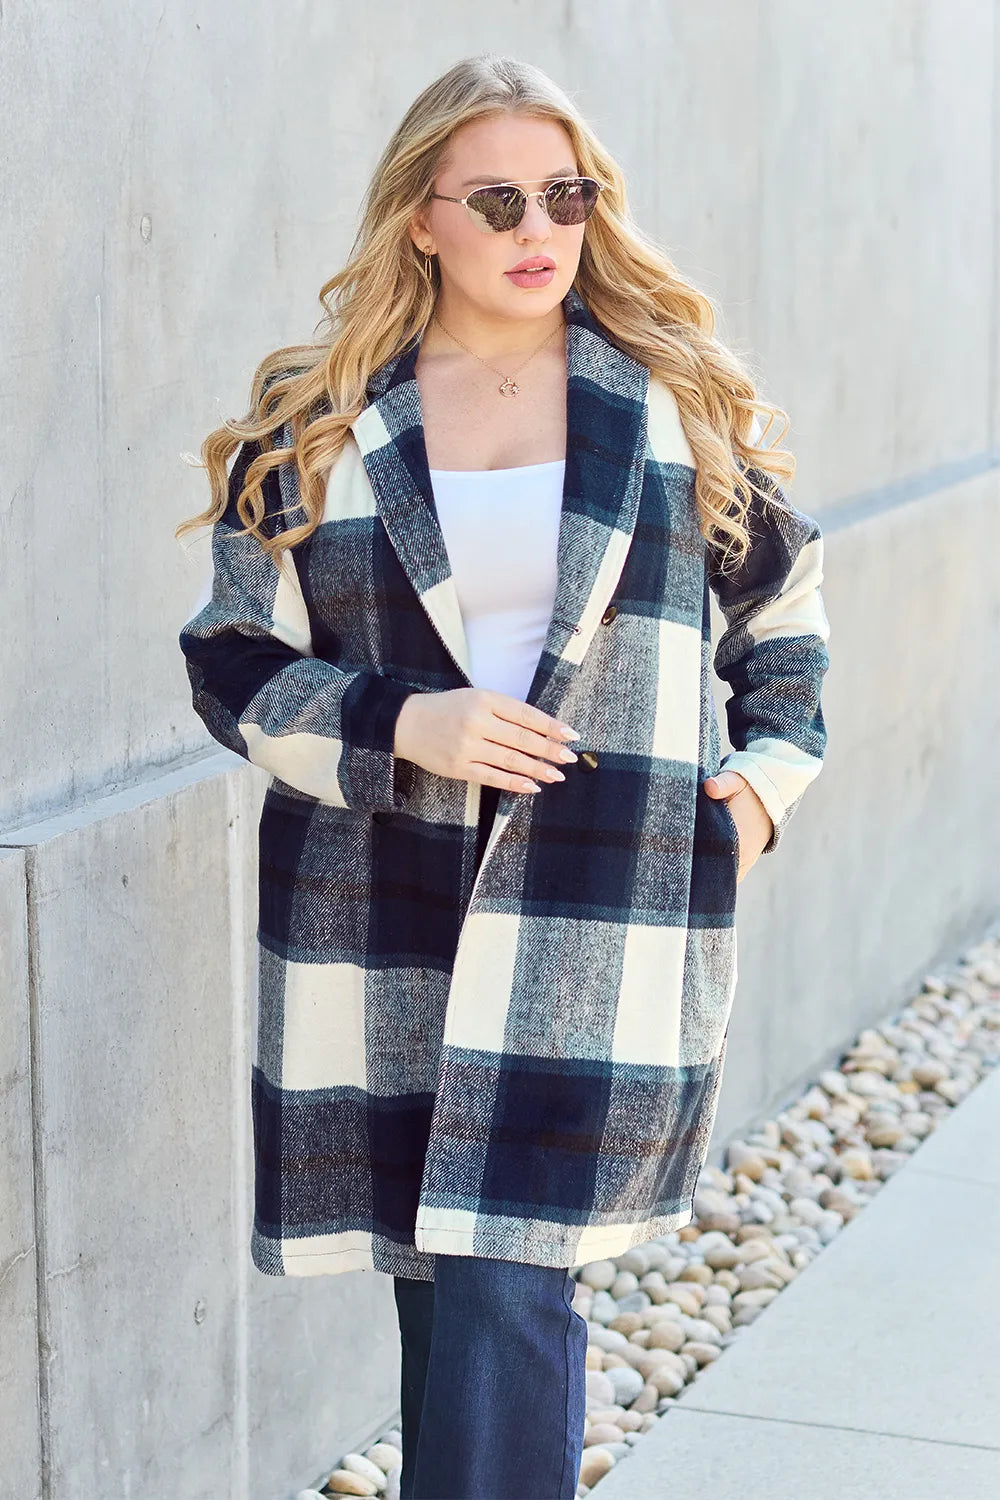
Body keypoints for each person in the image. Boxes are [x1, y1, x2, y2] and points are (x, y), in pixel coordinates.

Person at [176, 52, 830, 1500]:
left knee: (507, 1285)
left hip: (603, 906)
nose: (539, 230)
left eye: (565, 195)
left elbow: (783, 624)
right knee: (444, 1286)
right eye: (496, 200)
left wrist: (757, 792)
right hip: (382, 902)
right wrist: (401, 723)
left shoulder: (668, 405)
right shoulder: (323, 420)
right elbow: (229, 656)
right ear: (421, 218)